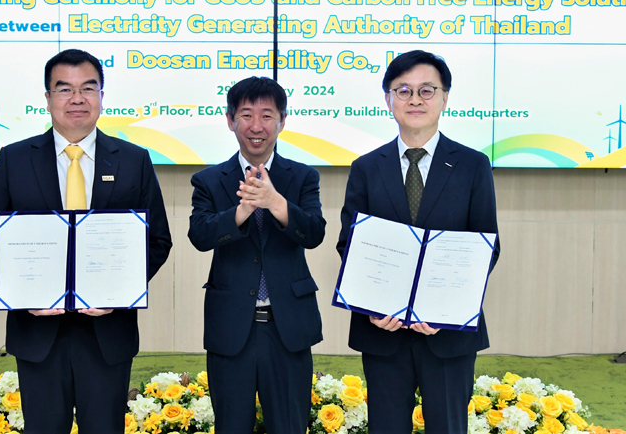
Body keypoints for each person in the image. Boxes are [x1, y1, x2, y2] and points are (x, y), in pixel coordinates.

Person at [0, 49, 172, 433]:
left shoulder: (133, 160)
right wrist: (24, 293)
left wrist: (118, 291)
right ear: (47, 98)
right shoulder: (14, 159)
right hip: (37, 331)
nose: (77, 99)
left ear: (101, 96)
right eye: (64, 89)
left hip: (107, 331)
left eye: (88, 88)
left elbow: (157, 241)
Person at [336, 50, 500, 434]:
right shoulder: (366, 167)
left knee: (448, 427)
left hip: (447, 331)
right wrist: (374, 306)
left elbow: (485, 247)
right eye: (403, 90)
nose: (415, 100)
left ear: (445, 98)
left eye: (427, 90)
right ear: (388, 99)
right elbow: (350, 244)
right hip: (383, 329)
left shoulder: (473, 165)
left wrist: (444, 307)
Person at [188, 76, 326, 434]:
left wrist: (276, 203)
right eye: (246, 115)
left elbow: (314, 233)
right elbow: (200, 235)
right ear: (230, 120)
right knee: (231, 426)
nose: (256, 126)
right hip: (232, 327)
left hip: (288, 327)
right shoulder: (209, 180)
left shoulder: (303, 176)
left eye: (267, 115)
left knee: (290, 426)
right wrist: (242, 211)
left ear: (282, 120)